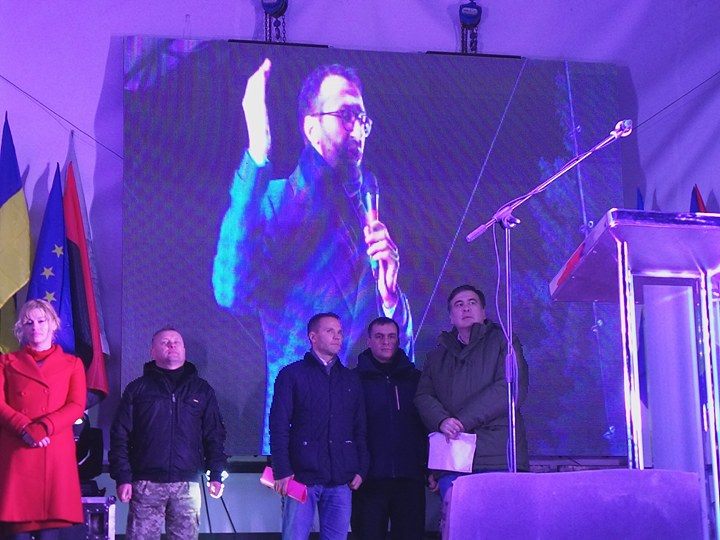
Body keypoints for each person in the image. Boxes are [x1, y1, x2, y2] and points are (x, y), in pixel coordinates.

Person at [213, 59, 413, 453]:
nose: (357, 129)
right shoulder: (276, 201)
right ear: (310, 128)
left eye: (362, 119)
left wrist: (391, 298)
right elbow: (230, 291)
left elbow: (398, 353)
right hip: (300, 426)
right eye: (345, 115)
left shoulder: (369, 208)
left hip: (365, 429)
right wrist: (257, 154)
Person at [109, 327, 227, 540]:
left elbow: (214, 435)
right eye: (165, 342)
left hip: (187, 485)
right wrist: (123, 477)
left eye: (176, 342)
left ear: (184, 350)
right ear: (152, 352)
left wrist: (216, 474)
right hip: (145, 484)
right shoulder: (137, 389)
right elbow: (120, 435)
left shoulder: (202, 390)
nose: (171, 345)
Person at [414, 285, 529, 502]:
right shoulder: (436, 356)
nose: (465, 308)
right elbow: (423, 396)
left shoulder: (504, 341)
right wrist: (441, 421)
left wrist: (460, 421)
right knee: (456, 520)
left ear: (483, 312)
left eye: (472, 302)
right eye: (459, 304)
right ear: (451, 317)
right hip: (453, 461)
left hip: (497, 459)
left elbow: (510, 388)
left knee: (499, 520)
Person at [269, 313, 369, 539]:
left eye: (340, 332)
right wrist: (282, 469)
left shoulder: (350, 379)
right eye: (330, 331)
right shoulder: (291, 375)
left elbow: (359, 427)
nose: (337, 336)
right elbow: (278, 425)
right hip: (301, 476)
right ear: (312, 337)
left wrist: (362, 467)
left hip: (341, 477)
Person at [0, 299, 86, 538]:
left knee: (50, 531)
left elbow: (76, 406)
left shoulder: (72, 364)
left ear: (53, 324)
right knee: (17, 532)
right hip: (18, 450)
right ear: (21, 328)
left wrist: (43, 428)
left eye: (41, 321)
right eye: (29, 322)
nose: (35, 327)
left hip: (54, 450)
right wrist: (24, 428)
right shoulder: (6, 362)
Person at [351, 317, 427, 540]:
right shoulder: (353, 380)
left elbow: (426, 426)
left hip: (410, 478)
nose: (386, 342)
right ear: (369, 341)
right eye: (379, 336)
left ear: (398, 340)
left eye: (391, 336)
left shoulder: (416, 379)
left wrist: (428, 467)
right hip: (368, 480)